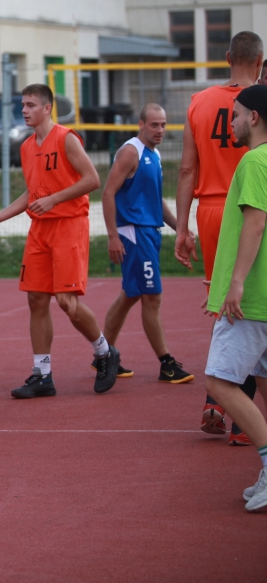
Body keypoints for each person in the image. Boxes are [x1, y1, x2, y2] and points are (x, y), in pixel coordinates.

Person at [0, 84, 116, 397]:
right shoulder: (27, 146)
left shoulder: (66, 138)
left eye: (31, 105)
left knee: (66, 301)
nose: (24, 110)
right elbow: (32, 191)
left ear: (47, 108)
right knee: (36, 299)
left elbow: (92, 179)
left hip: (68, 225)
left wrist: (54, 199)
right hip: (40, 229)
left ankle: (105, 352)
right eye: (23, 105)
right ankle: (42, 374)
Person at [175, 31, 264, 442]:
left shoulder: (200, 101)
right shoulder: (259, 103)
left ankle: (218, 399)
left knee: (225, 305)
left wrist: (182, 226)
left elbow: (186, 169)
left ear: (228, 57)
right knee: (248, 307)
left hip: (214, 209)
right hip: (252, 204)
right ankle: (245, 419)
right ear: (260, 60)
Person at [200, 84, 267, 512]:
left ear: (254, 118)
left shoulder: (254, 160)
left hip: (251, 299)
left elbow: (255, 223)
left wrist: (235, 283)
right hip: (261, 295)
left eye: (238, 114)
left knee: (220, 382)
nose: (234, 122)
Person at [101, 104, 193, 383]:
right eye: (154, 125)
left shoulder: (155, 154)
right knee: (152, 297)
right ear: (141, 124)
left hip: (148, 231)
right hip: (135, 233)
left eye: (163, 124)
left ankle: (103, 355)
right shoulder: (131, 152)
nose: (160, 130)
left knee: (130, 295)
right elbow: (107, 193)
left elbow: (155, 200)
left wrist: (181, 229)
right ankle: (166, 364)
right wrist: (113, 235)